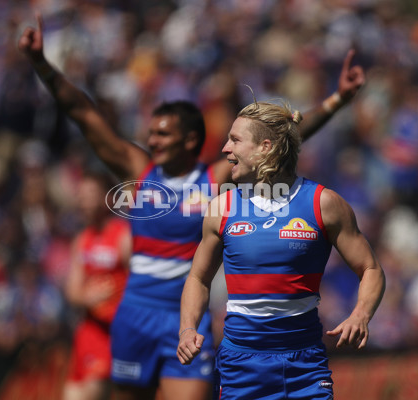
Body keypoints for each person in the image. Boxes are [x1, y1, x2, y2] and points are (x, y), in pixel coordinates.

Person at [18, 13, 365, 400]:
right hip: (135, 312)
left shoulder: (214, 180)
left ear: (190, 140)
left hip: (184, 314)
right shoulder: (140, 171)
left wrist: (336, 101)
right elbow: (84, 114)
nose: (153, 141)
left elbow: (282, 136)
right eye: (151, 134)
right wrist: (41, 65)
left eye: (163, 134)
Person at [177, 101, 385, 399]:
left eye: (235, 140)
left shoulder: (324, 204)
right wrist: (187, 329)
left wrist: (361, 314)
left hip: (306, 366)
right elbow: (198, 278)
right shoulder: (222, 208)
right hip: (241, 366)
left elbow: (371, 269)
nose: (225, 149)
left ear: (265, 147)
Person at [64, 173, 131, 400]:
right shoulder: (82, 240)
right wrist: (87, 297)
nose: (84, 202)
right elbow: (72, 291)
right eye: (81, 196)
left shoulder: (124, 236)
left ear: (110, 198)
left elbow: (140, 283)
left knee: (94, 392)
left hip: (113, 332)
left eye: (90, 195)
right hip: (88, 331)